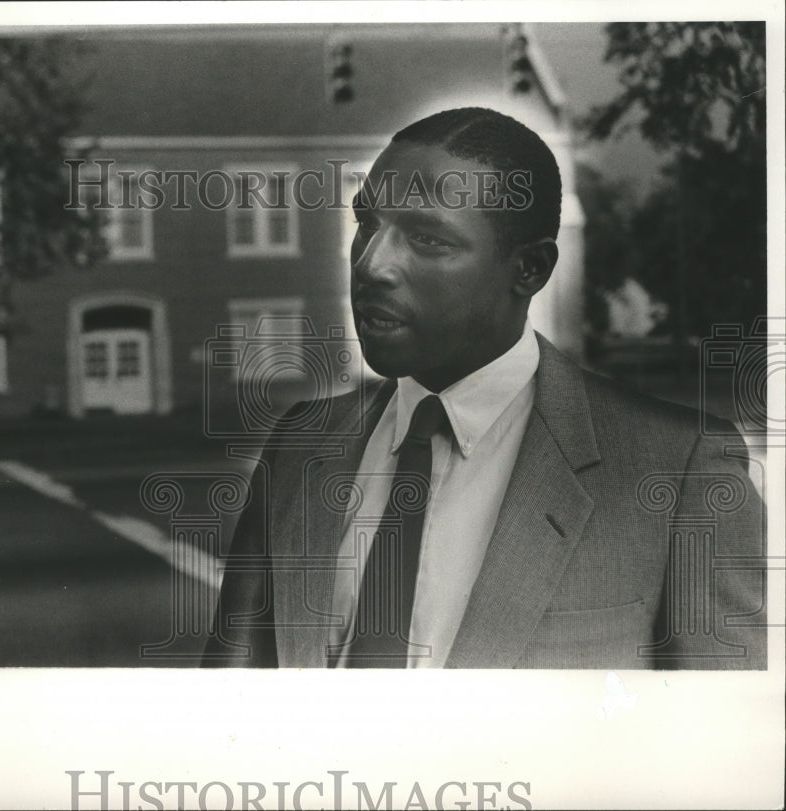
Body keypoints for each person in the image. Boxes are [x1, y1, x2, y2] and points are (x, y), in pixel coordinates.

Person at [202, 107, 766, 669]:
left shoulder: (682, 470)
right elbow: (227, 711)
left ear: (530, 270)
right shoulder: (301, 442)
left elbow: (719, 741)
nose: (371, 264)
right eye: (367, 224)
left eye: (427, 238)